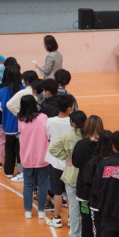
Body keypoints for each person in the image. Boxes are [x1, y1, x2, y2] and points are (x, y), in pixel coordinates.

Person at [48, 109, 86, 237]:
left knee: (73, 207)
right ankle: (84, 234)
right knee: (85, 207)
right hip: (85, 178)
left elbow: (52, 148)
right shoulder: (88, 136)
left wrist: (66, 157)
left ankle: (74, 233)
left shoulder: (67, 136)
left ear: (72, 123)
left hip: (71, 176)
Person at [71, 115, 104, 237]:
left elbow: (76, 163)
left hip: (84, 189)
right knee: (101, 217)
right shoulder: (105, 146)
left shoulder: (81, 144)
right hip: (101, 190)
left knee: (85, 216)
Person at [44, 94, 76, 229]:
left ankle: (56, 218)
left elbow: (48, 136)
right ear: (70, 108)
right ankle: (71, 218)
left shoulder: (50, 121)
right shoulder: (74, 122)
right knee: (70, 191)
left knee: (57, 192)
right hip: (71, 162)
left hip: (56, 161)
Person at [81, 130, 113, 237]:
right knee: (111, 229)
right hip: (113, 202)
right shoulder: (116, 162)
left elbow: (87, 180)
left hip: (96, 202)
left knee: (98, 229)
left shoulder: (93, 161)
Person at [17, 95, 50, 220]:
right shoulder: (44, 117)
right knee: (43, 184)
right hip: (42, 155)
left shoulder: (20, 119)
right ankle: (41, 211)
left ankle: (28, 211)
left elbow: (20, 133)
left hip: (27, 156)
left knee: (28, 184)